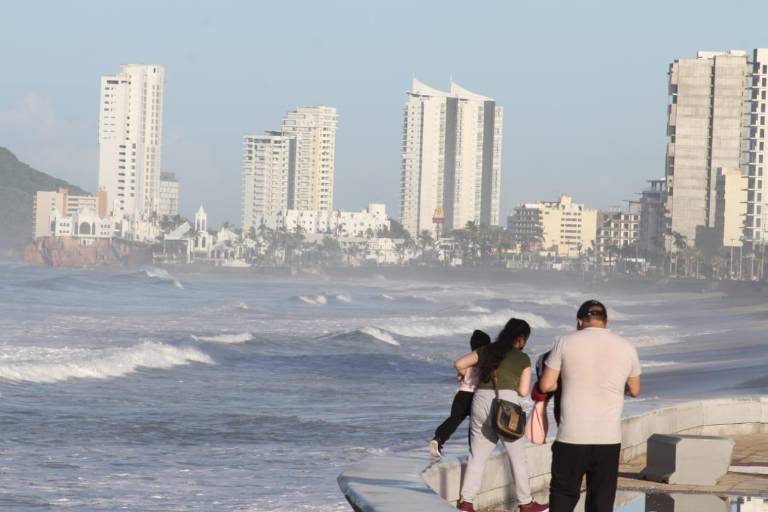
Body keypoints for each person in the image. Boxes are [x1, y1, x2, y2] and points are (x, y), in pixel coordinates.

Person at [537, 300, 641, 512]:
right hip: (608, 438)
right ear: (606, 322)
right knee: (601, 501)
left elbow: (546, 385)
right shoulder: (627, 346)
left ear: (579, 321)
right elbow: (635, 389)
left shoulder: (565, 342)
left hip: (572, 436)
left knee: (563, 495)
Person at [455, 318, 549, 512]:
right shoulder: (522, 358)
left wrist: (466, 375)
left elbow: (459, 363)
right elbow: (523, 391)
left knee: (477, 455)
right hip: (507, 404)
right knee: (517, 456)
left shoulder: (486, 350)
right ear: (521, 339)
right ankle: (525, 503)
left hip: (480, 401)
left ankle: (466, 502)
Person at [430, 330, 492, 458]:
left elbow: (459, 375)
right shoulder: (484, 360)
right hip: (476, 395)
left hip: (462, 394)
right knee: (474, 424)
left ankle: (439, 438)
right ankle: (473, 449)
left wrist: (464, 374)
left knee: (454, 419)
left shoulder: (468, 359)